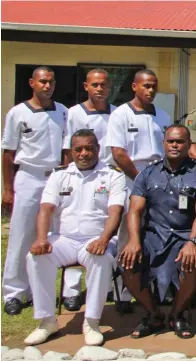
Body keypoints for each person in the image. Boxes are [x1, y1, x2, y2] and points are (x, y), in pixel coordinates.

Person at [24, 130, 126, 346]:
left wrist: (104, 239)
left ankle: (91, 322)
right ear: (70, 152)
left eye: (89, 148)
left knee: (100, 259)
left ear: (98, 150)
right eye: (78, 149)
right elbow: (46, 209)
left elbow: (115, 212)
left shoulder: (112, 175)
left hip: (97, 238)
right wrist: (41, 238)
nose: (84, 153)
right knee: (36, 257)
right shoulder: (59, 175)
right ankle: (46, 321)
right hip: (65, 238)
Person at [117, 125, 196, 340]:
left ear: (189, 145)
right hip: (154, 235)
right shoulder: (148, 173)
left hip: (185, 235)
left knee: (191, 263)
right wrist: (134, 241)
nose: (175, 145)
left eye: (180, 142)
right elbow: (135, 210)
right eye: (171, 141)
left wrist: (193, 242)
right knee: (127, 262)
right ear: (164, 143)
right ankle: (153, 314)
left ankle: (177, 314)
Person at [2, 66, 67, 315]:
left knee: (55, 234)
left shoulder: (61, 111)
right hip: (28, 176)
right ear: (32, 83)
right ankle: (15, 293)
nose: (47, 86)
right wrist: (8, 189)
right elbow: (8, 154)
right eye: (42, 81)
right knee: (21, 236)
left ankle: (45, 290)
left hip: (56, 178)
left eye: (51, 82)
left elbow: (66, 149)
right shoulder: (18, 113)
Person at [107, 69, 171, 312]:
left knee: (155, 235)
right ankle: (123, 292)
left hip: (160, 180)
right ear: (134, 86)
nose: (150, 90)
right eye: (145, 85)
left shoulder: (162, 116)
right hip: (130, 178)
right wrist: (142, 179)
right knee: (128, 236)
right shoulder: (120, 114)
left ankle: (158, 288)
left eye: (154, 86)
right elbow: (119, 154)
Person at [59, 68, 121, 312]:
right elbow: (68, 148)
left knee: (105, 227)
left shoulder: (117, 113)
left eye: (104, 85)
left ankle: (104, 286)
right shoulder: (74, 113)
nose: (99, 88)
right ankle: (71, 291)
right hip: (79, 175)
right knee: (73, 228)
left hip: (107, 175)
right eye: (95, 84)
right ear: (86, 86)